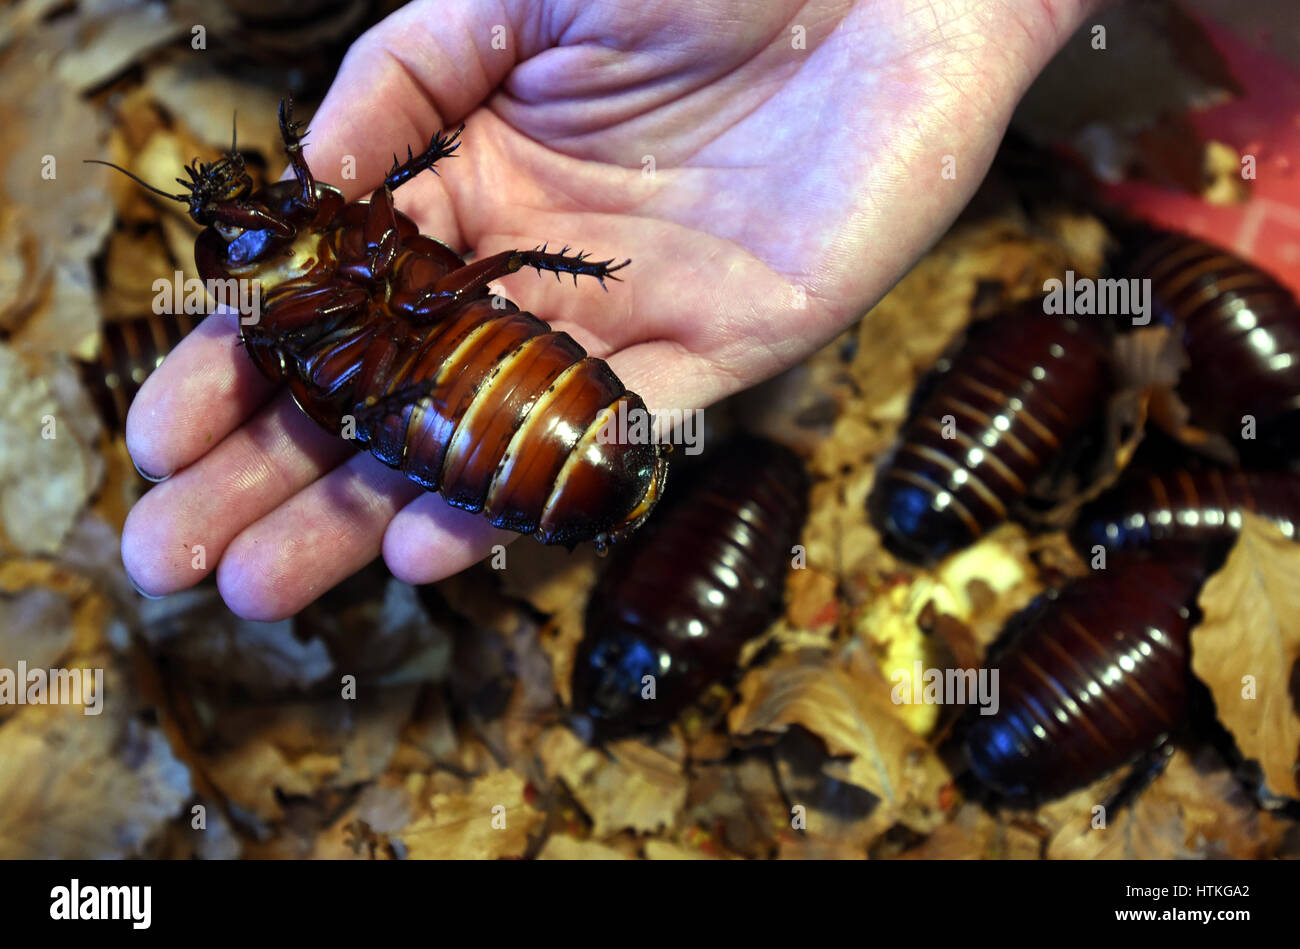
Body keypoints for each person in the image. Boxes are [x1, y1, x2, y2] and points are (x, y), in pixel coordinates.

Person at [121, 0, 1104, 620]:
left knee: (469, 289)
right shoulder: (299, 316)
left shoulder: (323, 273)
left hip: (447, 377)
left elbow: (369, 294)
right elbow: (335, 378)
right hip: (440, 386)